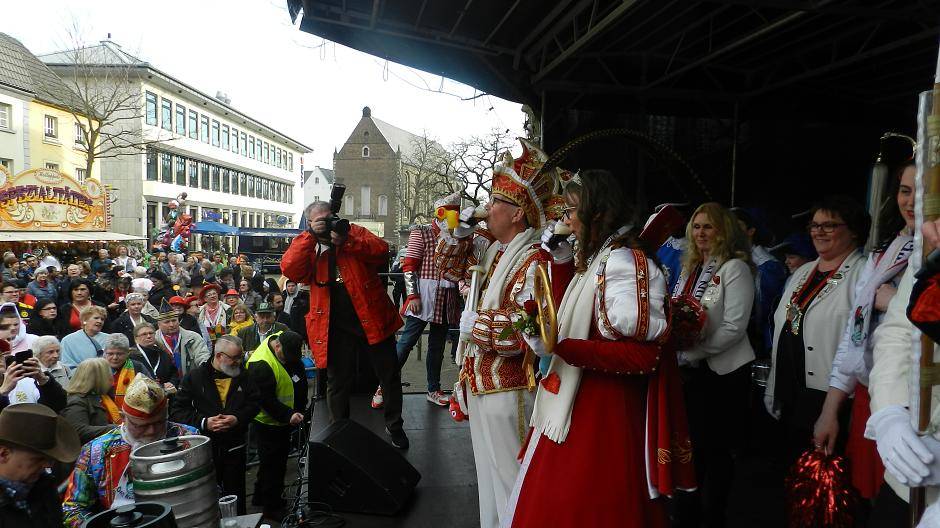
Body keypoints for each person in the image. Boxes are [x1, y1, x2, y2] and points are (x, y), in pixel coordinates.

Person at [503, 169, 695, 527]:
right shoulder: (598, 257)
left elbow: (643, 357)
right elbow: (566, 314)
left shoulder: (623, 262)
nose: (566, 220)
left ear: (598, 212)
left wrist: (564, 348)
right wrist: (561, 263)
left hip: (603, 413)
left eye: (571, 211)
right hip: (577, 402)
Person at [434, 139, 555, 527]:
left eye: (495, 201)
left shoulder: (534, 259)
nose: (487, 208)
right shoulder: (494, 251)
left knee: (512, 483)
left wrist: (477, 326)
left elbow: (526, 328)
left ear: (518, 213)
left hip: (510, 388)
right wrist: (457, 232)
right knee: (489, 484)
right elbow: (448, 268)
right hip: (482, 384)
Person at [813, 162, 915, 502]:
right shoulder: (885, 252)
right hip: (870, 394)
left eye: (924, 191)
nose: (912, 201)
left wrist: (897, 303)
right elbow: (853, 334)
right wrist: (830, 410)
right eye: (905, 191)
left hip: (919, 404)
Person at [281, 199, 406, 449]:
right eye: (321, 221)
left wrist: (347, 241)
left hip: (372, 318)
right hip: (333, 326)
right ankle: (340, 431)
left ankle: (395, 426)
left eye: (330, 218)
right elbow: (290, 269)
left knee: (389, 375)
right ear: (310, 223)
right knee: (337, 382)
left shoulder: (352, 232)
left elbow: (381, 250)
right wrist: (309, 237)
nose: (328, 224)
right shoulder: (308, 244)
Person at [765, 196, 869, 466]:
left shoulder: (864, 274)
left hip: (829, 398)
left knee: (823, 478)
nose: (818, 232)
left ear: (854, 230)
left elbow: (861, 344)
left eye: (829, 225)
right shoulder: (803, 272)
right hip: (790, 392)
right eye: (814, 225)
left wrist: (832, 409)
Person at [671, 202, 755, 526]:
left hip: (724, 373)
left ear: (723, 231)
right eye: (696, 226)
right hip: (693, 374)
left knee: (716, 451)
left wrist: (689, 353)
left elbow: (735, 327)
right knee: (693, 448)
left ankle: (713, 516)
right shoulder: (690, 267)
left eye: (708, 226)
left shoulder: (734, 268)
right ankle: (688, 513)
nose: (701, 233)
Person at [61, 374, 198, 526]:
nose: (151, 431)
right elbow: (72, 508)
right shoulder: (96, 451)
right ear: (123, 417)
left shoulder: (188, 438)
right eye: (141, 426)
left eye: (159, 422)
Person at [171, 335, 260, 515]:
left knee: (236, 494)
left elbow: (255, 404)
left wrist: (237, 418)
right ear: (219, 356)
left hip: (235, 446)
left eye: (240, 356)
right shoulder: (195, 377)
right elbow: (177, 410)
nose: (238, 361)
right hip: (206, 449)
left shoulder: (244, 375)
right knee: (209, 496)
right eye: (234, 358)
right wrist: (204, 422)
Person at [393, 192, 462, 408]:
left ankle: (433, 389)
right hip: (423, 298)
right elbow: (409, 266)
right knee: (406, 343)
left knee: (437, 347)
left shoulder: (458, 235)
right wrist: (413, 295)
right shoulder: (421, 232)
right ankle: (384, 385)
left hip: (446, 298)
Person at [246, 331, 307, 521]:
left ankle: (259, 495)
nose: (288, 361)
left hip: (286, 418)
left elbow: (297, 372)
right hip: (268, 422)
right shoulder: (261, 365)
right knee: (274, 465)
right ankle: (272, 507)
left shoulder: (285, 340)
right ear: (277, 346)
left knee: (269, 463)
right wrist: (288, 415)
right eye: (286, 357)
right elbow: (265, 400)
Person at [0, 403, 81, 527]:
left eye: (50, 459)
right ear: (4, 454)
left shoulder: (44, 486)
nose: (47, 466)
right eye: (38, 459)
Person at [734, 207, 788, 360]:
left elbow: (767, 315)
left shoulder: (767, 267)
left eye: (736, 226)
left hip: (752, 347)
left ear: (751, 231)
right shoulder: (721, 258)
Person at [61, 358, 120, 443]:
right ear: (99, 378)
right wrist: (116, 428)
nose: (111, 378)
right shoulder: (76, 401)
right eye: (108, 375)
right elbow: (79, 431)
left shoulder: (101, 396)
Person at [154, 301, 210, 379]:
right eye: (167, 322)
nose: (171, 325)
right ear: (159, 325)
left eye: (174, 320)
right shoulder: (153, 340)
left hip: (190, 381)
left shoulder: (193, 337)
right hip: (165, 382)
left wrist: (205, 369)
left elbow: (203, 357)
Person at [129, 322, 179, 391]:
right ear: (136, 338)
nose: (149, 336)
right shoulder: (131, 356)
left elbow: (174, 373)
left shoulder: (162, 353)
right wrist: (159, 386)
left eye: (151, 333)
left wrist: (171, 383)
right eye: (144, 334)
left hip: (166, 393)